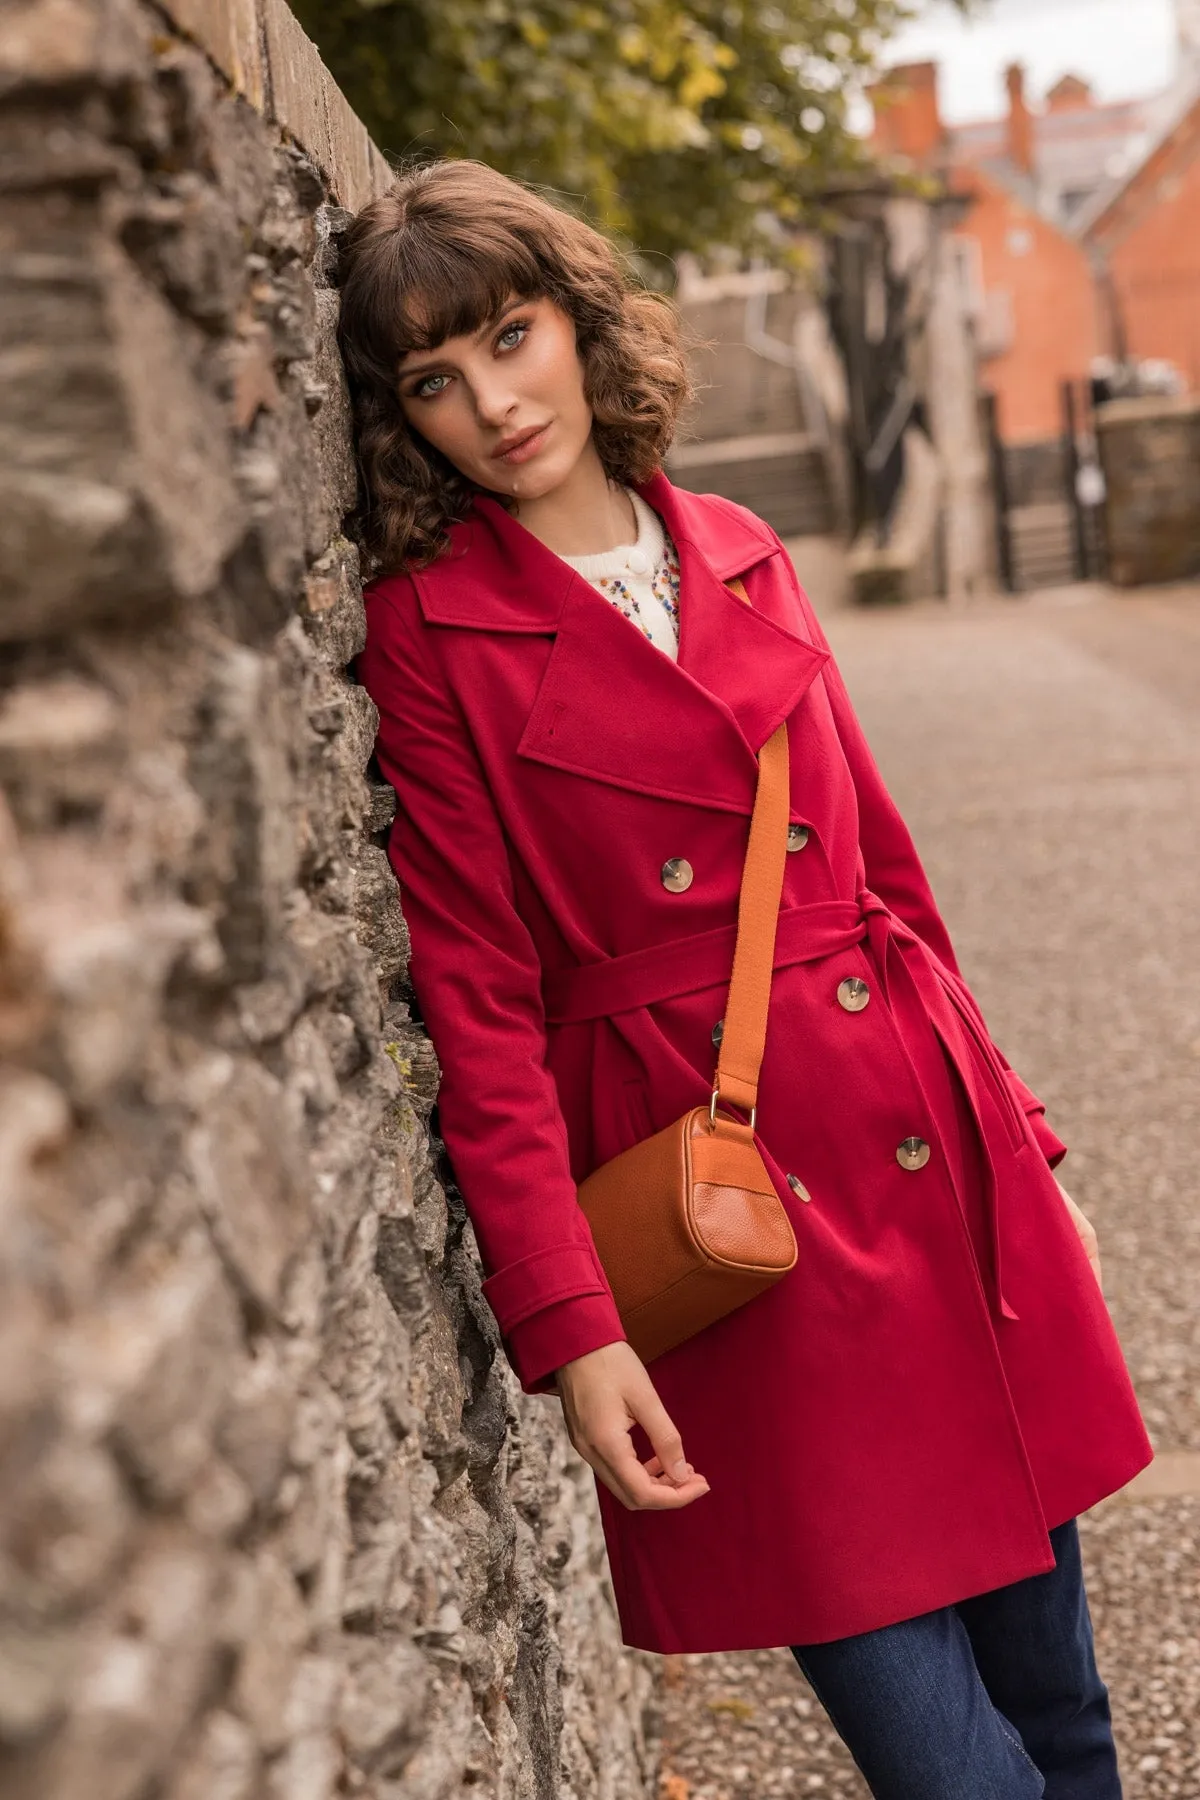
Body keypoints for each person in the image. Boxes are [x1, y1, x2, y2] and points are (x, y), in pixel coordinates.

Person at [339, 158, 1154, 1799]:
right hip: (730, 1206)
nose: (496, 401)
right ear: (401, 416)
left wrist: (1028, 1145)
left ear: (577, 322)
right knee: (952, 1770)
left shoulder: (742, 547)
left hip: (925, 1155)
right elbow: (481, 1010)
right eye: (436, 378)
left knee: (1063, 1714)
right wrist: (576, 1329)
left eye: (512, 334)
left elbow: (892, 886)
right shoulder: (428, 634)